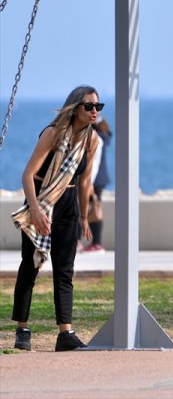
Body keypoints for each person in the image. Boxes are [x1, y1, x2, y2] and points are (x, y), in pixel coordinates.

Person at [11, 86, 103, 351]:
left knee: (65, 270)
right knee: (30, 266)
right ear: (75, 108)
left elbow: (85, 181)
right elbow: (28, 175)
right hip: (40, 199)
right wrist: (37, 211)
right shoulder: (53, 133)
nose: (94, 111)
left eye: (98, 106)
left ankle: (65, 333)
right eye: (89, 106)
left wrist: (84, 216)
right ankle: (22, 328)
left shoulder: (91, 140)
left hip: (68, 206)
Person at [83, 115, 111, 253]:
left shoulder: (95, 138)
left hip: (92, 179)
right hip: (101, 179)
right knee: (96, 207)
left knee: (83, 208)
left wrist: (89, 183)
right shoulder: (105, 136)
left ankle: (87, 242)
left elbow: (92, 162)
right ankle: (97, 243)